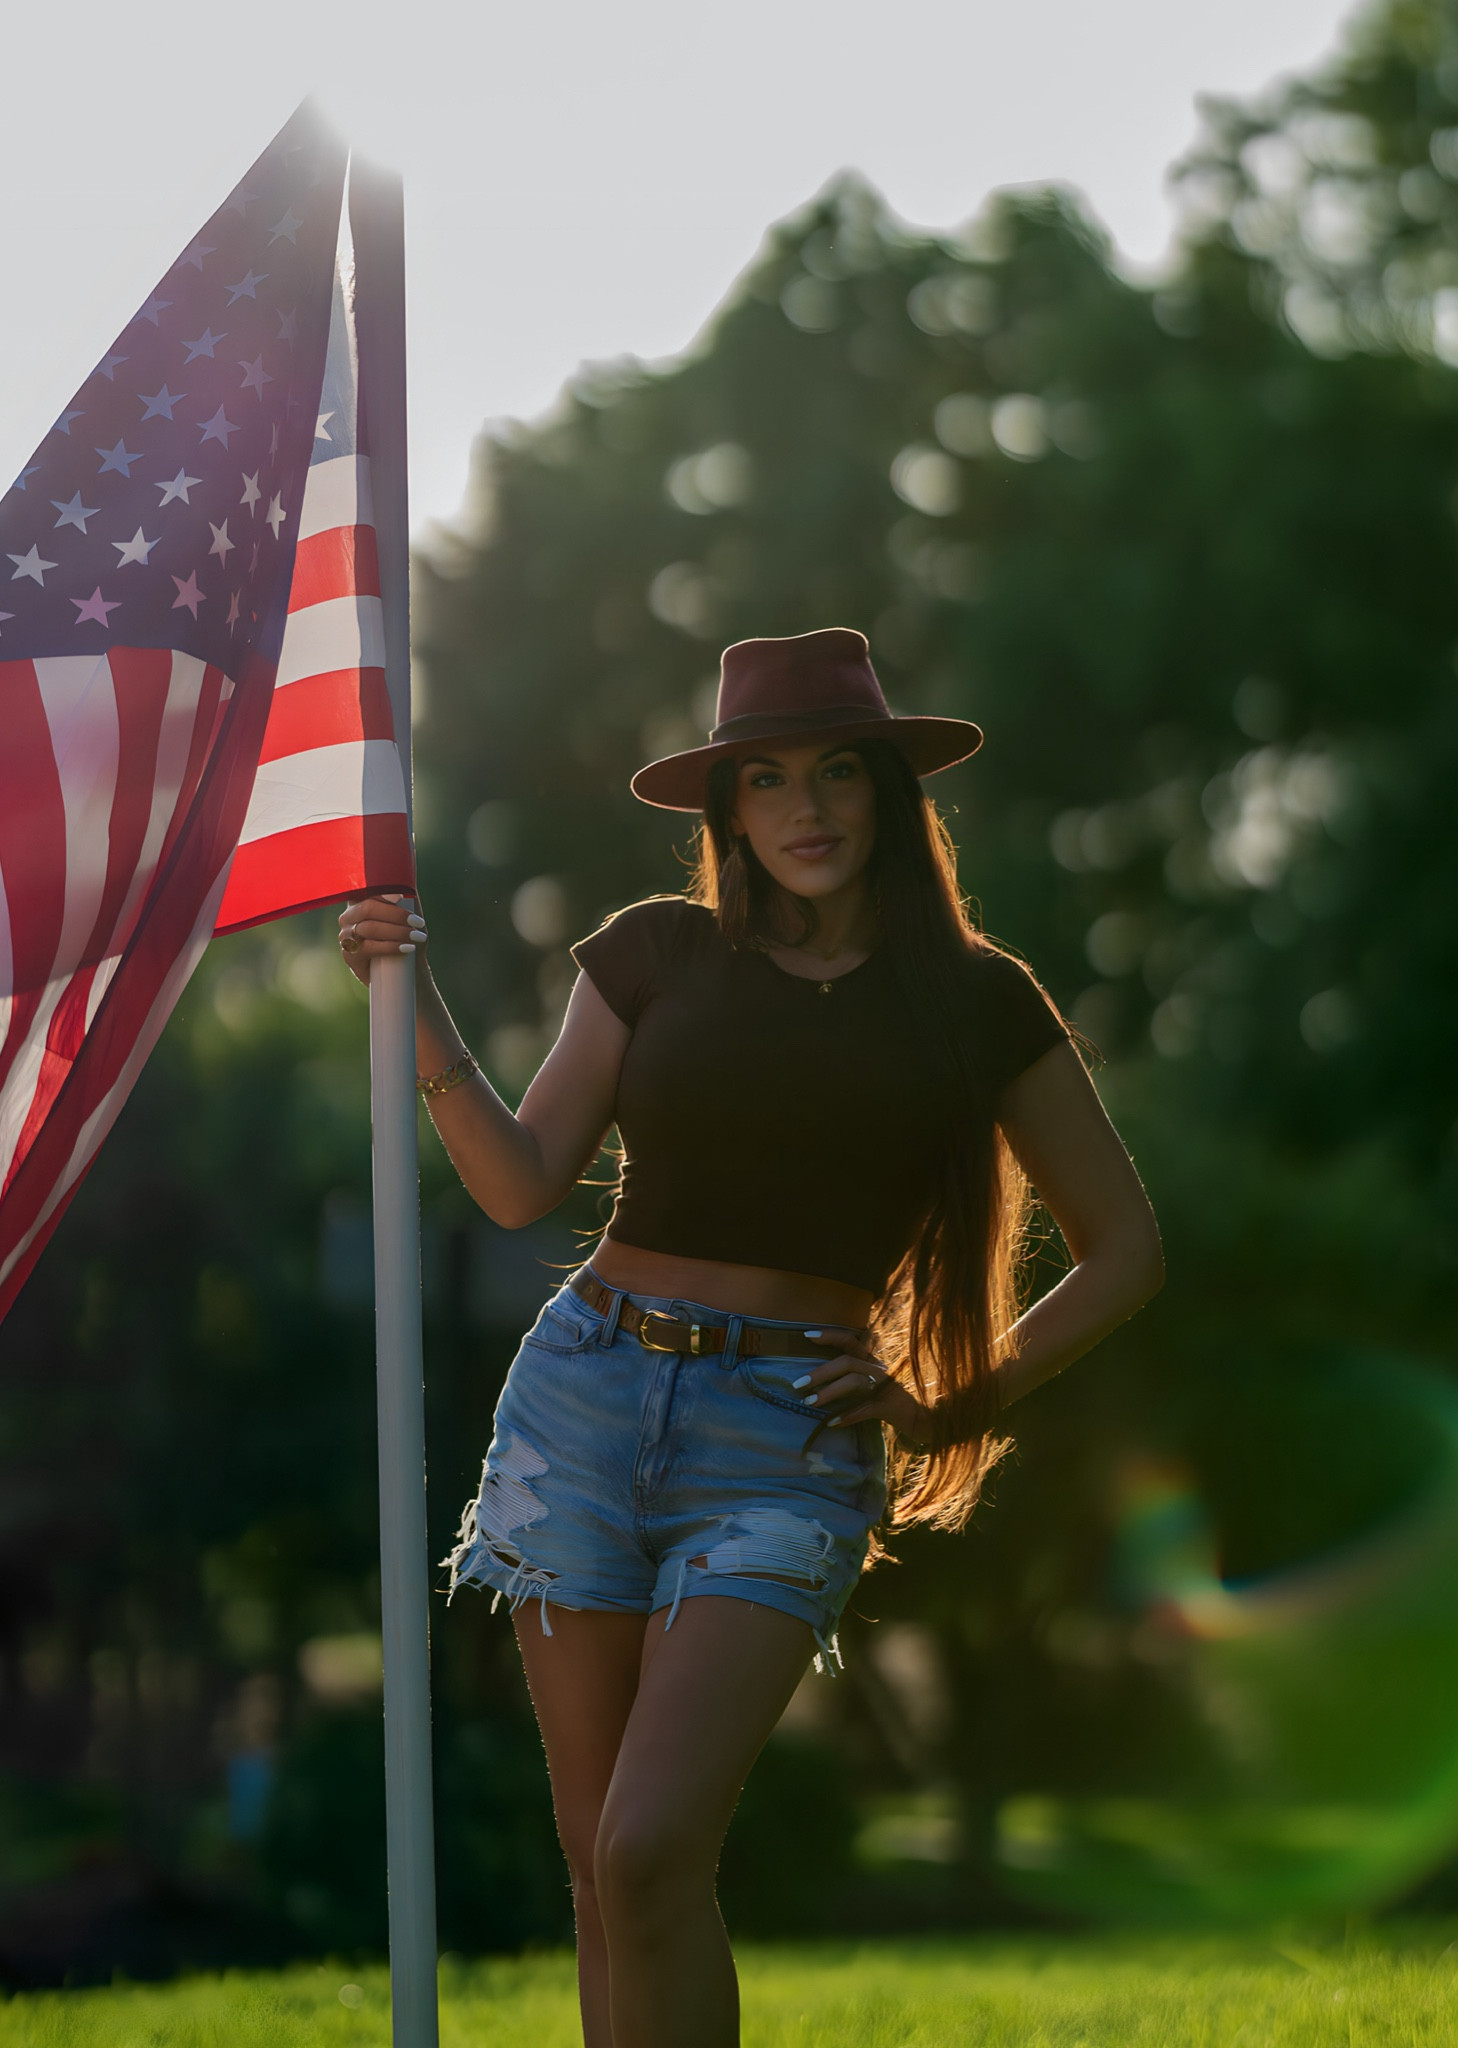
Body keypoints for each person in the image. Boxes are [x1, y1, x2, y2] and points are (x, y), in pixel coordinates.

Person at [337, 627, 1164, 2048]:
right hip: (581, 1401)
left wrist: (953, 1401)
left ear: (892, 795)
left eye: (840, 771)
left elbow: (1128, 1249)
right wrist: (408, 1012)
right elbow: (525, 1179)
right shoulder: (652, 954)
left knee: (652, 1850)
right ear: (729, 812)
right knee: (608, 1876)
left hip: (786, 1440)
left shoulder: (979, 1000)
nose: (808, 808)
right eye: (769, 779)